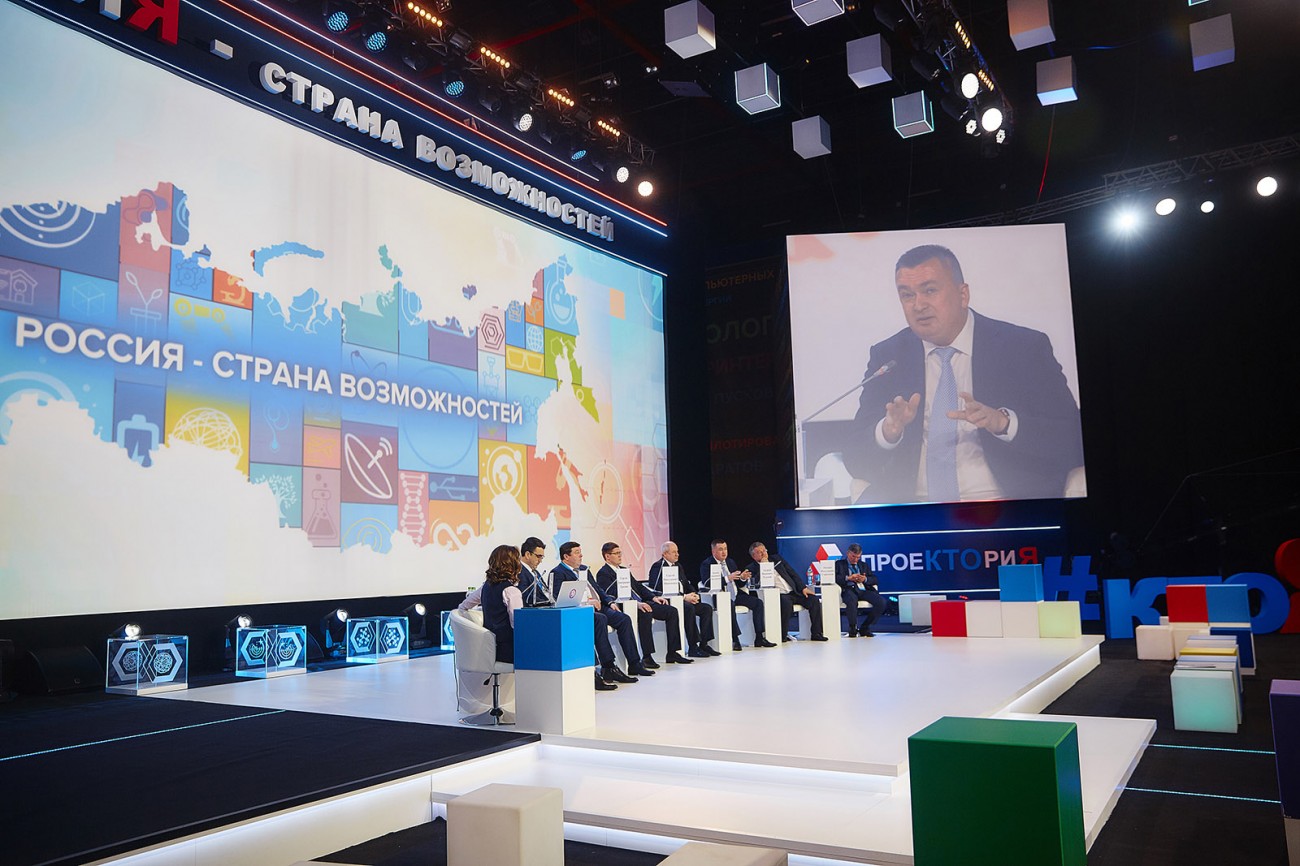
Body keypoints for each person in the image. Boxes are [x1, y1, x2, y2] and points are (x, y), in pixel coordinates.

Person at [846, 244, 1084, 504]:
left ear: (963, 294)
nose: (918, 305)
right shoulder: (889, 357)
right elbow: (855, 460)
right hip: (915, 506)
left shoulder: (1023, 347)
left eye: (929, 290)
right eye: (907, 295)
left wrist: (1004, 423)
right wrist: (888, 431)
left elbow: (1073, 440)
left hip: (1003, 503)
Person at [550, 540, 655, 686]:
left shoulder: (584, 569)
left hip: (599, 605)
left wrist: (610, 602)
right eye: (577, 553)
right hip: (581, 609)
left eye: (581, 552)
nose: (581, 555)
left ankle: (634, 663)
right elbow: (560, 598)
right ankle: (608, 666)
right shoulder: (558, 573)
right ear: (566, 556)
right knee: (601, 619)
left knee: (623, 619)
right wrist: (586, 602)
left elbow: (598, 589)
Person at [594, 542, 693, 666]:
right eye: (616, 553)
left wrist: (653, 597)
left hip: (641, 602)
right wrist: (636, 604)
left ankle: (673, 652)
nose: (620, 556)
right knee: (646, 613)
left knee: (671, 611)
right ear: (607, 556)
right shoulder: (603, 573)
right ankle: (647, 656)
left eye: (620, 553)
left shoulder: (624, 570)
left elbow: (638, 587)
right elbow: (610, 594)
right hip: (625, 606)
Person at [699, 539, 777, 650]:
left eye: (725, 549)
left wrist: (743, 578)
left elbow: (739, 584)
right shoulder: (707, 564)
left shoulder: (730, 562)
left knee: (758, 603)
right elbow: (707, 583)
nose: (724, 552)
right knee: (729, 604)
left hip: (736, 594)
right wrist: (727, 578)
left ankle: (759, 637)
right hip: (719, 596)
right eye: (720, 549)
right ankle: (735, 639)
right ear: (713, 552)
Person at [743, 542, 828, 642]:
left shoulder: (777, 559)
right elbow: (755, 582)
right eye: (759, 552)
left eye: (764, 550)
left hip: (793, 591)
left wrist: (803, 588)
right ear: (753, 556)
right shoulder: (751, 568)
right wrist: (763, 566)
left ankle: (817, 633)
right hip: (778, 594)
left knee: (813, 600)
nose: (763, 553)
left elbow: (792, 573)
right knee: (786, 604)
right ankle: (783, 635)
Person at [648, 540, 719, 657]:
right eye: (674, 552)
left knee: (706, 608)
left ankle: (704, 643)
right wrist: (684, 597)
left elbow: (686, 583)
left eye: (677, 551)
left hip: (683, 599)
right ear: (665, 554)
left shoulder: (678, 566)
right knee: (689, 608)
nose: (677, 554)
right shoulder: (657, 566)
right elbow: (656, 588)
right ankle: (693, 647)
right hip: (669, 601)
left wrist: (694, 593)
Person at [457, 544, 524, 663]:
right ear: (514, 564)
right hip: (510, 650)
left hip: (489, 649)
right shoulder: (511, 591)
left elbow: (463, 606)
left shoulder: (484, 588)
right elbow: (518, 624)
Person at [835, 543, 884, 637]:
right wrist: (848, 578)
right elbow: (835, 578)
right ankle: (852, 628)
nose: (855, 559)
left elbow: (875, 579)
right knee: (851, 600)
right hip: (848, 589)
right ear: (848, 553)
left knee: (881, 602)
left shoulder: (863, 565)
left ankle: (865, 627)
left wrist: (865, 579)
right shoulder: (839, 564)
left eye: (858, 557)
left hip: (863, 590)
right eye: (853, 556)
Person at [518, 536, 552, 607]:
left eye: (542, 557)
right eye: (538, 556)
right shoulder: (519, 572)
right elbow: (526, 597)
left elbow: (545, 590)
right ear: (527, 555)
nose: (540, 561)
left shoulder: (536, 572)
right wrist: (547, 603)